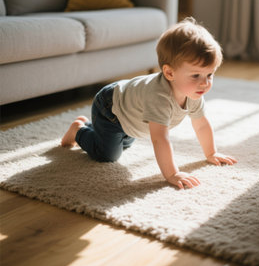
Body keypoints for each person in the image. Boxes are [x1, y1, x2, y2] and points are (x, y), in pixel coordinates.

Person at [61, 17, 237, 189]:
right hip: (110, 109)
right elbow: (160, 139)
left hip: (130, 110)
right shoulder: (159, 98)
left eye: (209, 75)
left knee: (126, 142)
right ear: (169, 73)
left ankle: (96, 128)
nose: (205, 83)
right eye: (196, 75)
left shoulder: (193, 91)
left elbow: (201, 125)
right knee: (107, 155)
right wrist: (172, 173)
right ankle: (79, 130)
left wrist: (211, 153)